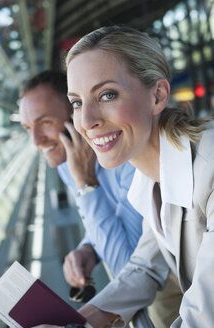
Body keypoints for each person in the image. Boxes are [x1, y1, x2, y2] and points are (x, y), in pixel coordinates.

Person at [62, 25, 213, 328]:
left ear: (158, 95)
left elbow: (204, 316)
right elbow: (146, 265)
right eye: (77, 102)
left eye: (106, 95)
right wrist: (81, 321)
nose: (87, 121)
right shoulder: (149, 176)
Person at [20, 71, 182, 328]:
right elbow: (108, 217)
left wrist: (85, 184)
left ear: (75, 118)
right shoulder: (66, 162)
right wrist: (88, 248)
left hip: (171, 285)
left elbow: (130, 263)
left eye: (45, 123)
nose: (36, 140)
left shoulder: (131, 158)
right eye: (28, 128)